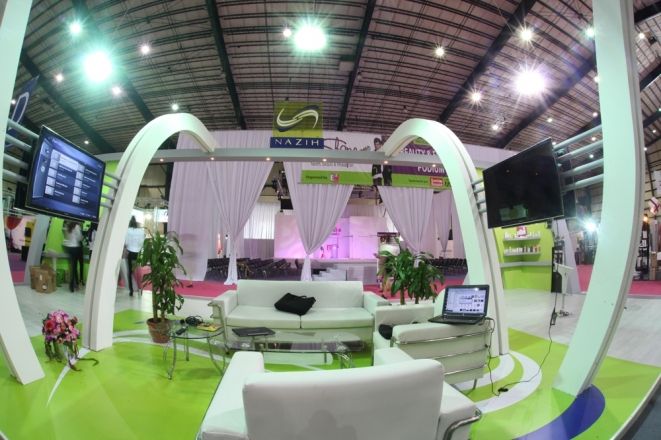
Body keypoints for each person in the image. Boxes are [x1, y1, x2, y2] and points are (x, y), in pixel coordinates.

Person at [124, 216, 145, 296]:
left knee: (130, 272)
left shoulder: (128, 230)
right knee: (138, 271)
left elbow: (126, 243)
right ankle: (140, 288)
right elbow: (142, 243)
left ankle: (131, 290)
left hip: (130, 252)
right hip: (138, 253)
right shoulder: (141, 231)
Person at [62, 220, 84, 292]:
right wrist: (82, 237)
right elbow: (79, 238)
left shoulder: (68, 226)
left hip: (69, 248)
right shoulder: (77, 226)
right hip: (75, 248)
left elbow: (66, 237)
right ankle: (73, 285)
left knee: (72, 267)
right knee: (74, 268)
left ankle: (73, 285)